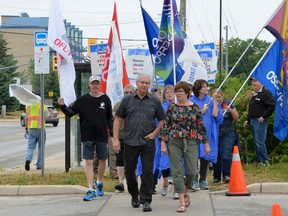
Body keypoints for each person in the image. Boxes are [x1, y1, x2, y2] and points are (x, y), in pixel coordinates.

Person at [112, 74, 165, 212]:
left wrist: (154, 134)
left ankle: (146, 200)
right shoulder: (127, 99)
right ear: (137, 83)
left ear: (149, 84)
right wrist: (116, 139)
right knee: (129, 171)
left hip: (148, 142)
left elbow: (162, 120)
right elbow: (118, 120)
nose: (144, 85)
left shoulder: (154, 100)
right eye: (142, 82)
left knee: (147, 172)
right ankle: (134, 195)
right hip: (130, 141)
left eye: (147, 83)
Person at [58, 75, 113, 201]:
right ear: (89, 85)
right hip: (87, 135)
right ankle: (90, 189)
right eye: (93, 84)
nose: (95, 86)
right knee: (88, 162)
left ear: (100, 85)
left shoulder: (105, 99)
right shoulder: (83, 100)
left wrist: (112, 136)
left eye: (97, 84)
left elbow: (110, 119)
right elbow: (71, 113)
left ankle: (98, 182)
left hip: (101, 135)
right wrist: (62, 106)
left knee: (102, 160)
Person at [160, 81, 210, 213]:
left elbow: (200, 126)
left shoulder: (195, 108)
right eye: (177, 92)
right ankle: (181, 200)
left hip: (191, 141)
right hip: (174, 141)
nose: (178, 94)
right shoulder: (172, 108)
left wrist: (206, 143)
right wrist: (163, 143)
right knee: (177, 172)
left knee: (192, 171)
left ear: (187, 93)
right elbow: (166, 126)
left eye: (181, 91)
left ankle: (186, 191)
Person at [189, 79, 223, 191]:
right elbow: (187, 117)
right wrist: (200, 112)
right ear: (198, 89)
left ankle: (203, 179)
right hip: (193, 133)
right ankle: (194, 179)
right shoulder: (191, 101)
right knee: (194, 156)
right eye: (204, 87)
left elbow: (216, 115)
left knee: (205, 155)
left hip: (207, 132)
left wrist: (215, 101)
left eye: (206, 86)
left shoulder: (210, 100)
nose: (206, 89)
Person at [243, 77, 275, 165]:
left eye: (255, 81)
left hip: (260, 121)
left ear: (261, 82)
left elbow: (272, 105)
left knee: (259, 142)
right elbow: (252, 108)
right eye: (252, 81)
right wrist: (247, 120)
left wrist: (264, 116)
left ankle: (265, 161)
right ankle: (259, 160)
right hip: (253, 120)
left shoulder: (266, 93)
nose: (253, 83)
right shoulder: (256, 94)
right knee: (256, 142)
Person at [212, 90, 239, 184]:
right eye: (216, 97)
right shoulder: (211, 104)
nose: (218, 99)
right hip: (215, 132)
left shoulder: (228, 103)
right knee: (216, 155)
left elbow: (236, 118)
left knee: (226, 153)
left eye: (219, 97)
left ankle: (227, 175)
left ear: (222, 96)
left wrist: (230, 110)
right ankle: (216, 177)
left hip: (228, 132)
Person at [113, 84, 135, 192]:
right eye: (127, 92)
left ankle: (134, 181)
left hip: (133, 136)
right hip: (121, 136)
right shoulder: (118, 105)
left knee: (132, 160)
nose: (129, 94)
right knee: (120, 159)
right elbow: (114, 121)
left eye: (131, 92)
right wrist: (114, 138)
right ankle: (121, 182)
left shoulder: (137, 104)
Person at [24, 102, 51, 171]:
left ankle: (28, 159)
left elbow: (26, 118)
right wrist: (50, 112)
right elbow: (47, 118)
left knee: (30, 146)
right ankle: (39, 165)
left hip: (31, 129)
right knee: (41, 147)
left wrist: (26, 128)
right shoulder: (43, 106)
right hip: (41, 129)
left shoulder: (28, 106)